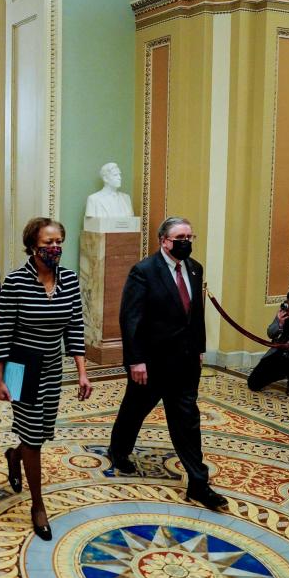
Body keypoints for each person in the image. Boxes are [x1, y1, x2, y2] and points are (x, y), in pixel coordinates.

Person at [107, 216, 224, 510]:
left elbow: (194, 314)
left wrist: (199, 349)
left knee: (187, 420)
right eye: (180, 237)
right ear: (164, 241)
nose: (186, 241)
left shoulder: (195, 269)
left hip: (184, 363)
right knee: (135, 409)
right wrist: (135, 360)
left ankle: (199, 482)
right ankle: (118, 451)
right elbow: (130, 318)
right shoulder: (144, 271)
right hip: (151, 362)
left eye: (189, 236)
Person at [0, 217, 92, 541]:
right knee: (34, 436)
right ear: (33, 246)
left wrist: (82, 373)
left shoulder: (70, 281)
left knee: (41, 431)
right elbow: (3, 332)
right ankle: (38, 505)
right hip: (22, 366)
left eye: (58, 241)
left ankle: (14, 455)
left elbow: (74, 328)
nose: (55, 247)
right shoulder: (16, 282)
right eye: (48, 242)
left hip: (52, 368)